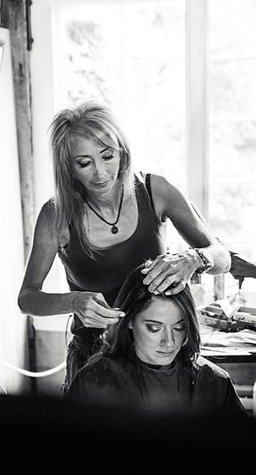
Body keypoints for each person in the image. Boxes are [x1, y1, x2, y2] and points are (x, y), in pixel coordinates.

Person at [18, 100, 231, 390]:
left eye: (108, 156)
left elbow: (221, 256)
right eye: (84, 163)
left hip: (162, 354)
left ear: (122, 151)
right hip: (95, 356)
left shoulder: (156, 191)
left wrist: (193, 259)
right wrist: (73, 302)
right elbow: (27, 298)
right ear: (68, 168)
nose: (101, 173)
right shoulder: (56, 215)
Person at [65, 260, 246, 415]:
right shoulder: (95, 381)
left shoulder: (214, 381)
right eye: (154, 328)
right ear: (129, 320)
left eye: (179, 327)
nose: (169, 342)